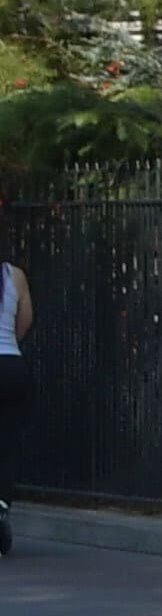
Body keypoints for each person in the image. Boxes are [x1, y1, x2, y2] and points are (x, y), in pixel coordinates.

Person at [0, 213, 28, 554]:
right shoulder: (14, 276)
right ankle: (2, 503)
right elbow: (25, 320)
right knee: (7, 441)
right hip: (11, 365)